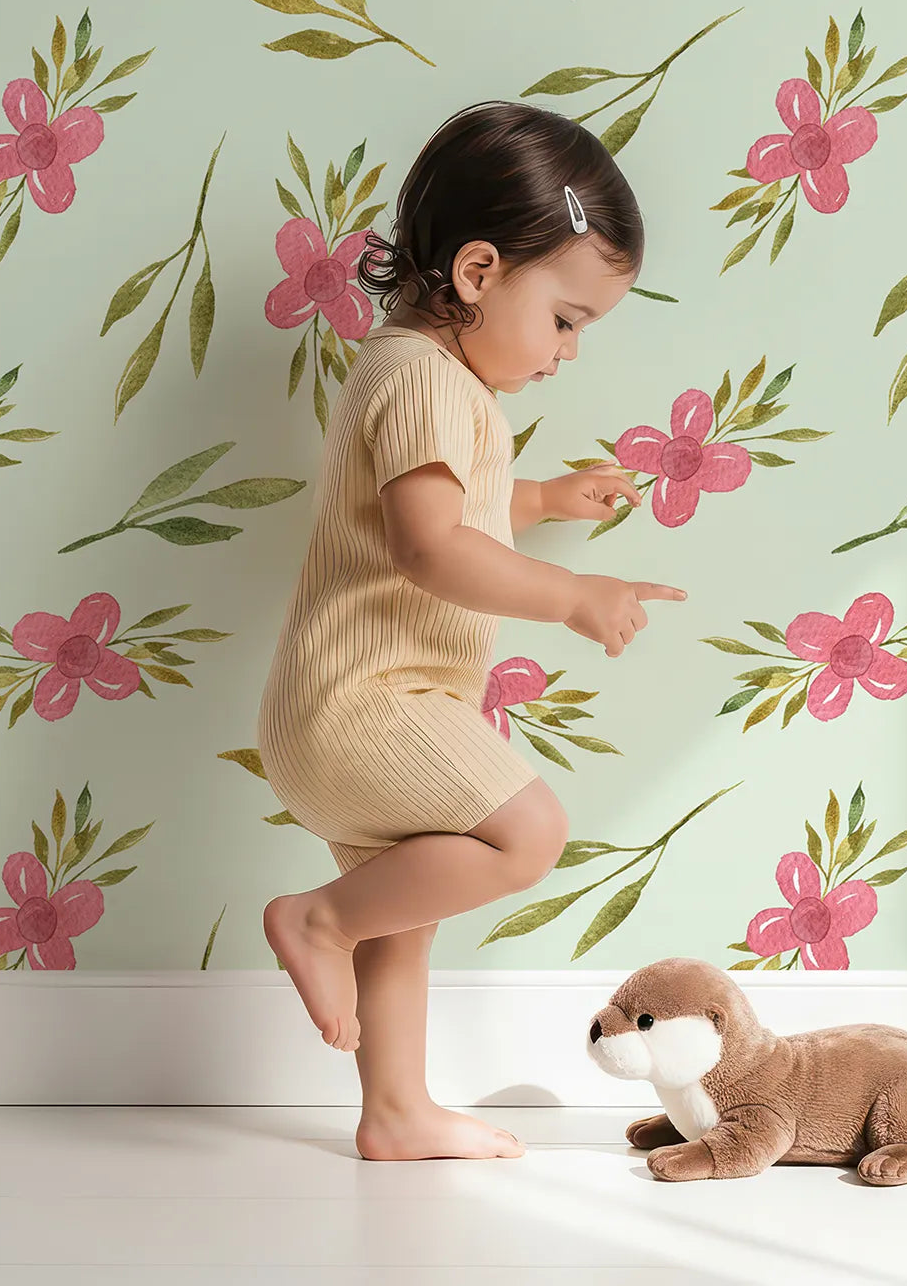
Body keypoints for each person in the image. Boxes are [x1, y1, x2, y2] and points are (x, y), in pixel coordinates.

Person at [255, 99, 687, 1162]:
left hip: (347, 704)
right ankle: (312, 920)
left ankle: (394, 1107)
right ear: (481, 271)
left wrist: (539, 494)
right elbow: (429, 547)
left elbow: (440, 505)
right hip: (368, 700)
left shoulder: (418, 373)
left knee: (399, 913)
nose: (568, 351)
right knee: (524, 831)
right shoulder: (425, 381)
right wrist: (572, 595)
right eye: (566, 318)